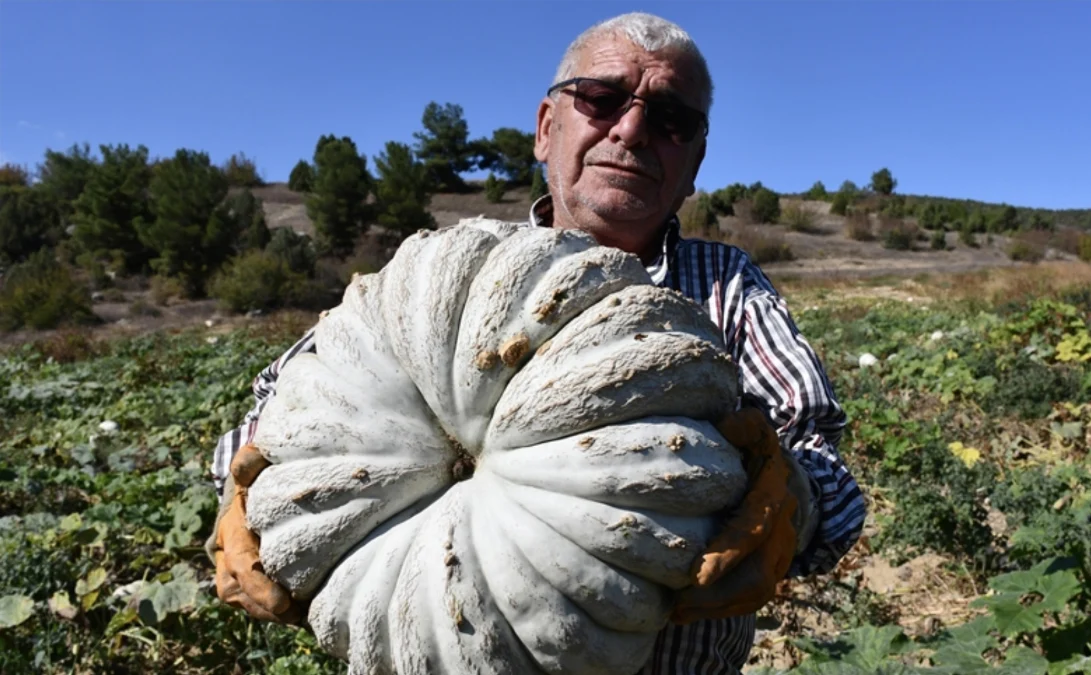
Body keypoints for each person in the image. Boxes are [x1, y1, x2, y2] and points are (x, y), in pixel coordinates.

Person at [208, 11, 865, 675]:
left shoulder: (726, 286)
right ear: (548, 128)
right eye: (602, 99)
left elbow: (825, 465)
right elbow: (276, 412)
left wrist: (796, 502)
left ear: (694, 161)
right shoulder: (438, 269)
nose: (631, 129)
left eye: (671, 119)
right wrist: (245, 498)